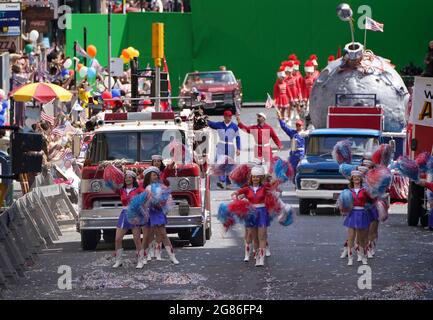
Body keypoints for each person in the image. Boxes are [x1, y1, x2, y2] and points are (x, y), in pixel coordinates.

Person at [136, 166, 179, 266]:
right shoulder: (147, 188)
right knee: (146, 236)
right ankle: (141, 259)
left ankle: (172, 257)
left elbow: (166, 199)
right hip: (148, 212)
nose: (155, 176)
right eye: (153, 175)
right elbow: (144, 202)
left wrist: (162, 204)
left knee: (163, 234)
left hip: (158, 212)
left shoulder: (161, 187)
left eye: (156, 175)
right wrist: (148, 204)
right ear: (149, 177)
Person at [232, 166, 270, 267]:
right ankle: (257, 258)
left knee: (262, 236)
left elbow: (275, 192)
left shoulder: (265, 187)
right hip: (251, 213)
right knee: (254, 238)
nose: (255, 179)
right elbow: (235, 194)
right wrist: (237, 202)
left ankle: (261, 259)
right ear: (251, 178)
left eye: (258, 177)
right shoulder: (247, 189)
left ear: (261, 178)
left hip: (262, 213)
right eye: (254, 177)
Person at [111, 170, 145, 268]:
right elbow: (113, 186)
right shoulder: (121, 190)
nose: (127, 179)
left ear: (133, 179)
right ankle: (118, 260)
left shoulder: (138, 189)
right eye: (126, 177)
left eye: (129, 177)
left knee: (137, 239)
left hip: (135, 215)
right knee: (117, 239)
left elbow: (147, 197)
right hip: (124, 214)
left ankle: (140, 260)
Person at [342, 171, 373, 266]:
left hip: (362, 214)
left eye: (358, 177)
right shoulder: (348, 191)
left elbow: (371, 200)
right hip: (352, 214)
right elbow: (343, 203)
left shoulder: (365, 190)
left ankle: (363, 256)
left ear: (361, 179)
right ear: (352, 179)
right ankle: (350, 258)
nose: (356, 178)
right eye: (354, 177)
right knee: (350, 237)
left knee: (361, 238)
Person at [207, 110, 241, 189]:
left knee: (229, 165)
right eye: (228, 116)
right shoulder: (219, 124)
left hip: (230, 146)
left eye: (230, 116)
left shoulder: (234, 126)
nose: (229, 118)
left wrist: (238, 148)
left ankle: (228, 182)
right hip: (221, 146)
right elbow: (211, 124)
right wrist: (204, 118)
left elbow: (238, 138)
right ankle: (221, 181)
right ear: (224, 117)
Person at [276, 109, 305, 179]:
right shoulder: (292, 133)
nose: (298, 126)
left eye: (299, 125)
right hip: (294, 155)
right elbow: (284, 127)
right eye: (297, 125)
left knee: (302, 169)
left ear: (302, 126)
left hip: (302, 155)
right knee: (293, 170)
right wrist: (280, 118)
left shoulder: (305, 134)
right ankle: (294, 182)